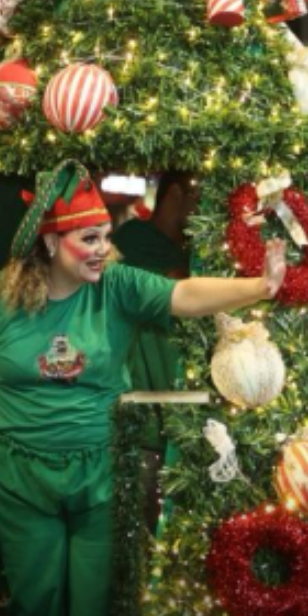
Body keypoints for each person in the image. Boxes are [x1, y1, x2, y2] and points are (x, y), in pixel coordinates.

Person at [0, 162, 288, 616]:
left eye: (106, 236)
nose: (104, 250)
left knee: (97, 605)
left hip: (102, 470)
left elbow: (183, 294)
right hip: (18, 475)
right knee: (37, 601)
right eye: (89, 239)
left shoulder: (118, 286)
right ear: (50, 243)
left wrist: (258, 287)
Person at [111, 171, 198, 528]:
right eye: (199, 198)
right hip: (142, 428)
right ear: (175, 194)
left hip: (181, 426)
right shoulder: (132, 241)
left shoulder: (192, 254)